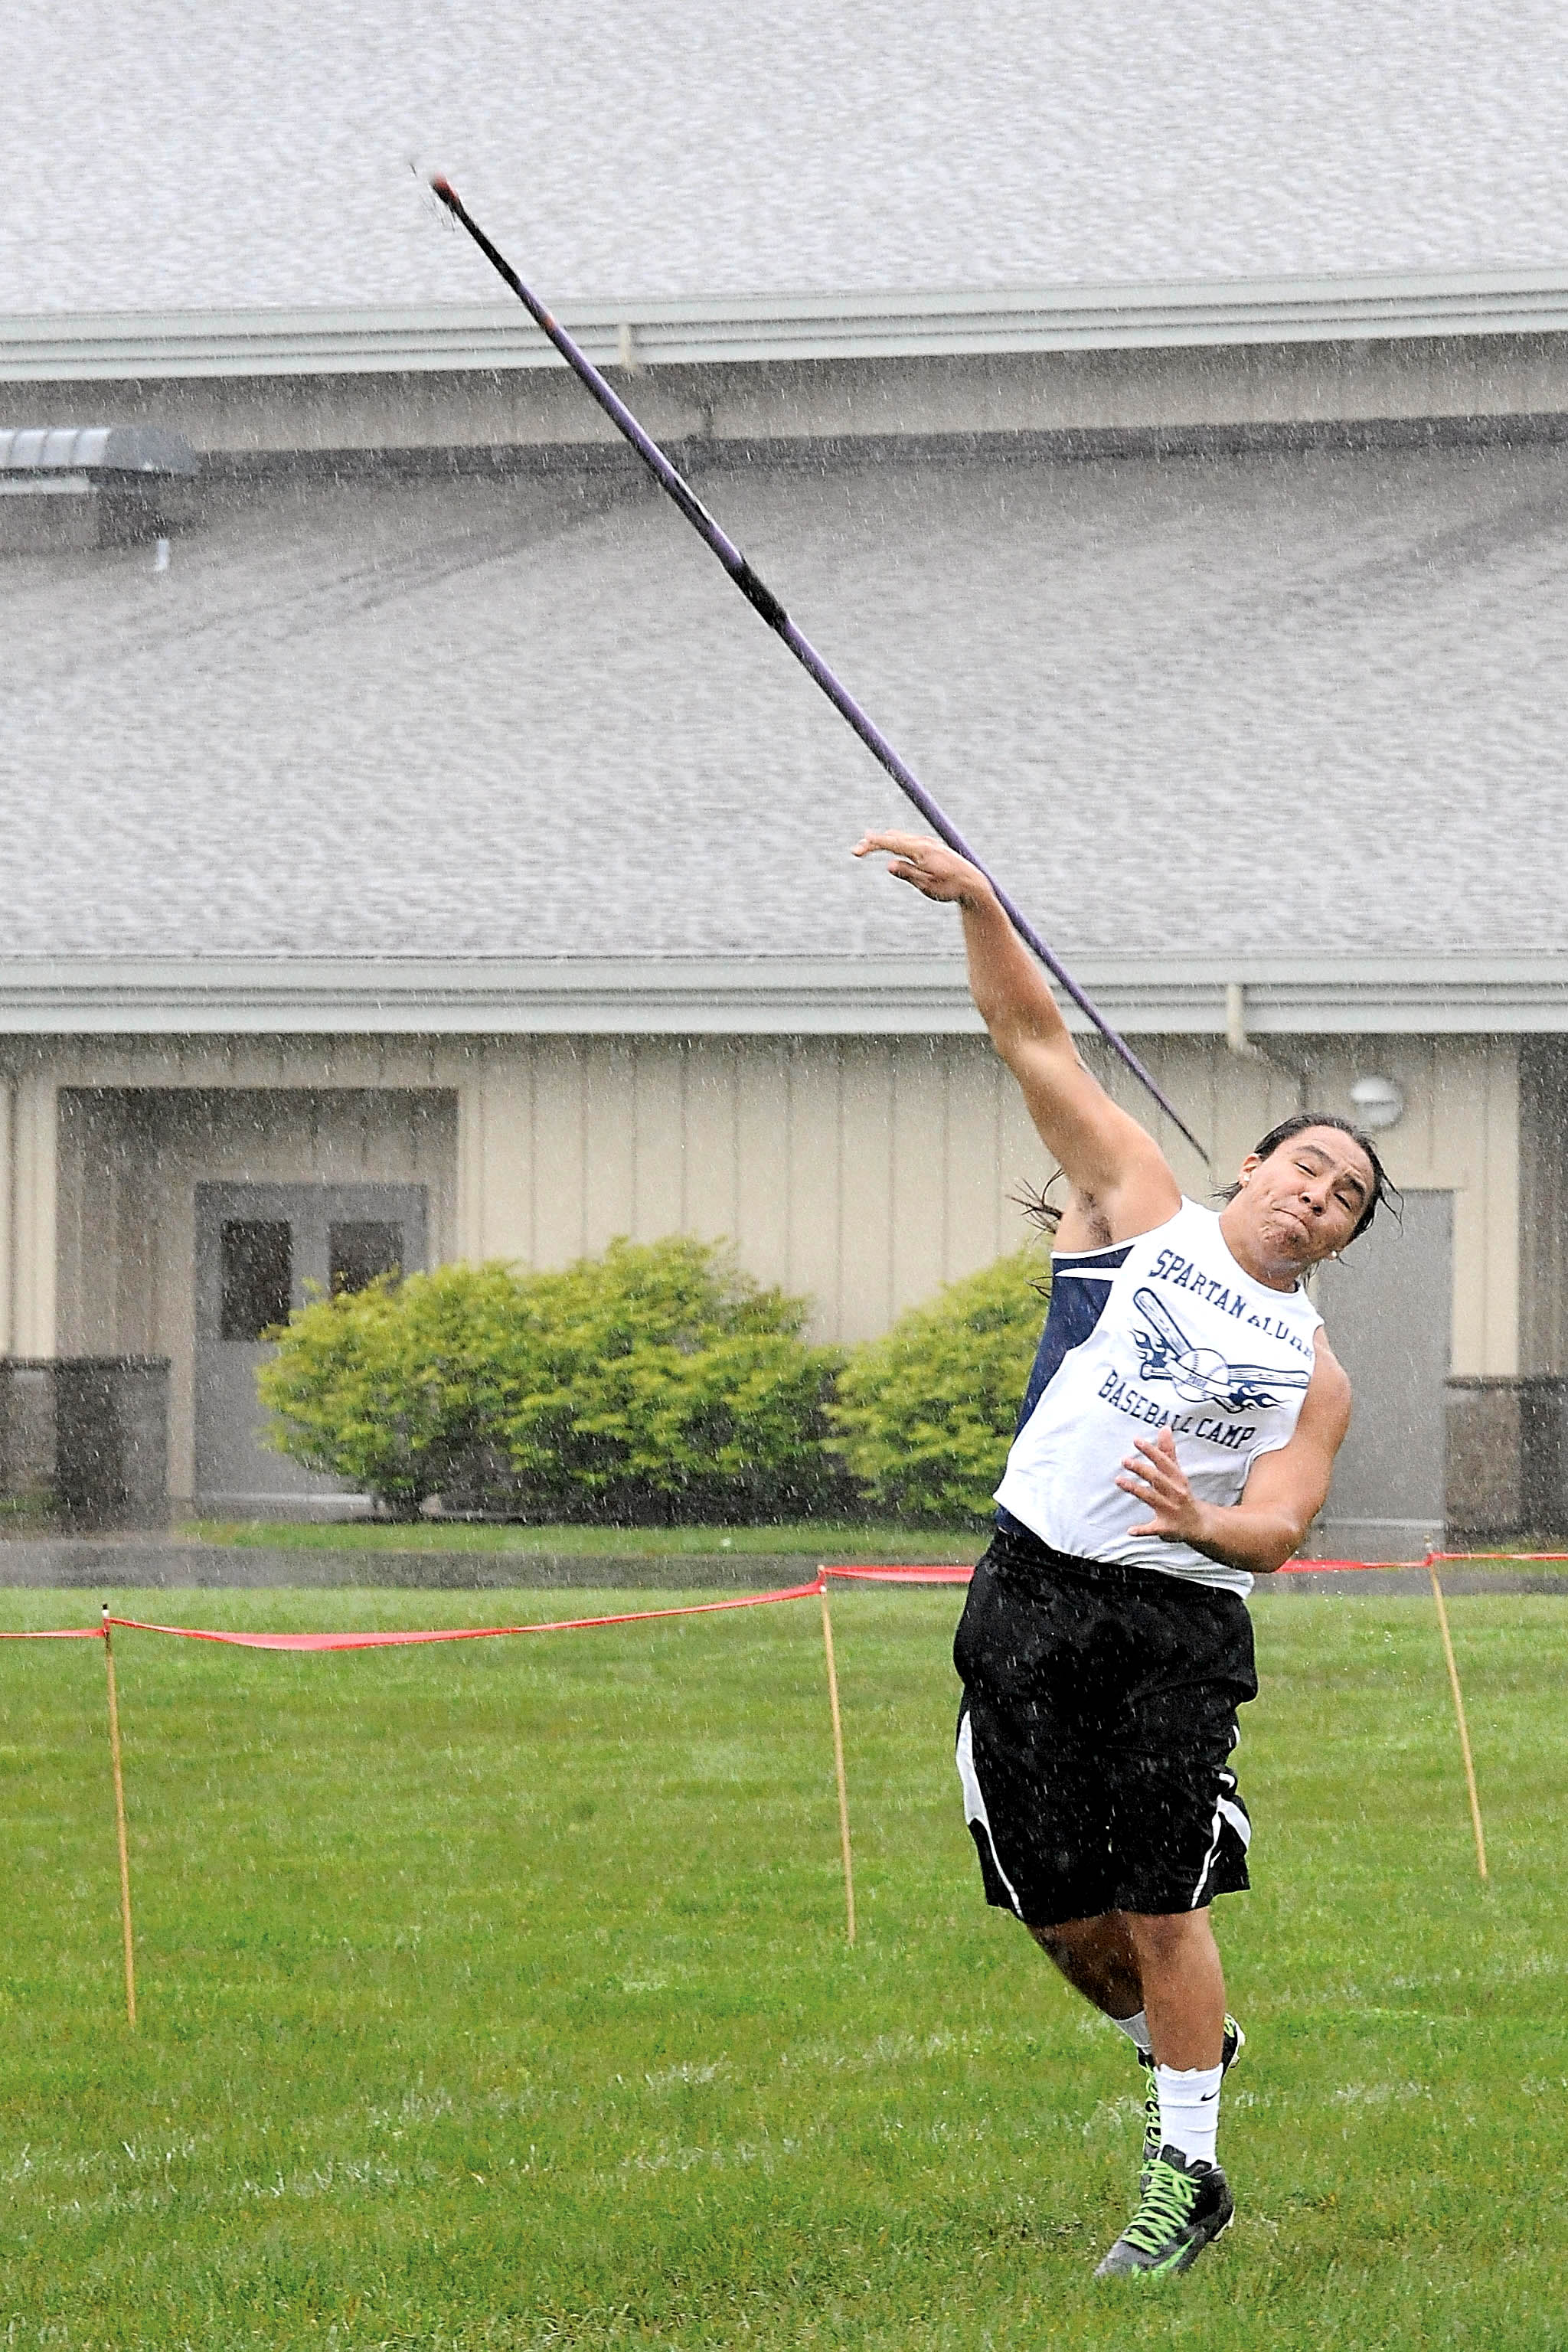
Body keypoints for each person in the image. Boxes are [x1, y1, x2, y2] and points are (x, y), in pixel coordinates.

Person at [854, 827, 1396, 2282]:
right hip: (1027, 1597)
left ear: (1342, 1240)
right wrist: (978, 903)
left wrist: (1210, 1523)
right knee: (1066, 1919)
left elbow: (1282, 1522)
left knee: (1165, 1904)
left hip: (1173, 1623)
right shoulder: (1146, 1220)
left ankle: (1189, 2167)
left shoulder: (1313, 1368)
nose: (1316, 1196)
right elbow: (1028, 1036)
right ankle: (1182, 2044)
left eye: (1344, 1198)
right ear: (1256, 1163)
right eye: (1307, 1168)